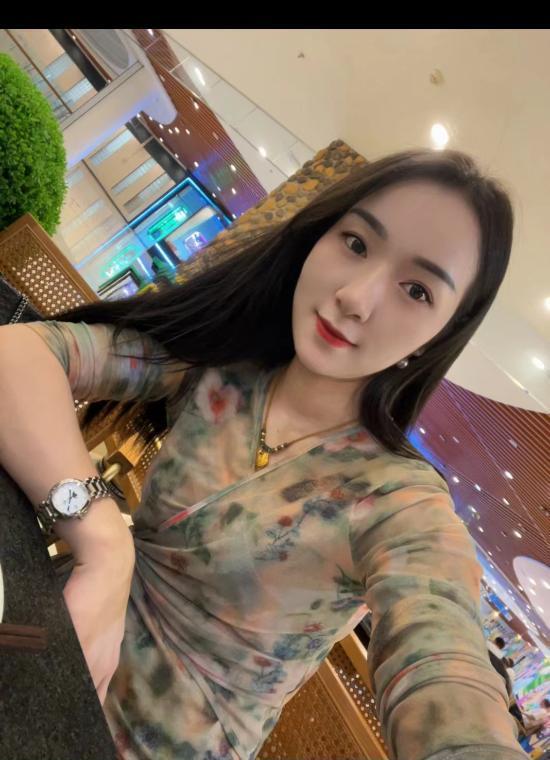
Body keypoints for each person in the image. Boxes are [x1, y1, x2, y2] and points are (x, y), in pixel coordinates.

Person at [0, 149, 529, 760]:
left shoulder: (399, 502)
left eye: (416, 290)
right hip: (51, 634)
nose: (355, 297)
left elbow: (442, 657)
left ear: (442, 334)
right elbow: (18, 354)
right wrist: (106, 547)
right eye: (356, 243)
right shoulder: (223, 365)